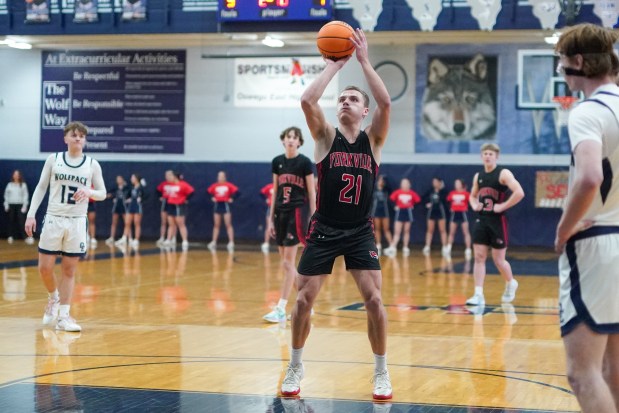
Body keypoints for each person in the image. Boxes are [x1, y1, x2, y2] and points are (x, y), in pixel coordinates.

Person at [281, 28, 393, 400]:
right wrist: (336, 65)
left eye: (353, 98)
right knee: (301, 301)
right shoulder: (325, 138)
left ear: (364, 111)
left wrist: (363, 61)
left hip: (360, 230)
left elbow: (386, 103)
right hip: (325, 229)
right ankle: (295, 364)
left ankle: (381, 371)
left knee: (375, 300)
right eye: (342, 98)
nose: (345, 101)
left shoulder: (373, 140)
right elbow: (307, 99)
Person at [554, 23, 619, 413]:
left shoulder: (587, 112)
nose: (562, 73)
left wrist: (563, 230)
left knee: (583, 373)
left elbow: (591, 176)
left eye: (562, 64)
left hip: (598, 245)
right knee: (614, 369)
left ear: (578, 62)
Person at [25, 121, 106, 332]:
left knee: (69, 270)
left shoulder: (92, 164)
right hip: (54, 218)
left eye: (82, 135)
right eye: (74, 135)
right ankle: (53, 297)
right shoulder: (54, 159)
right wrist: (31, 214)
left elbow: (103, 193)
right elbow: (41, 187)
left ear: (85, 140)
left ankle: (64, 317)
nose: (78, 138)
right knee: (45, 268)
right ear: (66, 138)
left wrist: (89, 192)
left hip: (77, 221)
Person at [262, 126, 316, 323]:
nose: (291, 140)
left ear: (299, 142)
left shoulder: (304, 162)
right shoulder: (277, 162)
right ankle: (306, 302)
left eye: (294, 137)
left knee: (288, 263)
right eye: (288, 137)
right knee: (287, 266)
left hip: (297, 213)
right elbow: (275, 192)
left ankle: (281, 308)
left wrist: (314, 215)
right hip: (279, 213)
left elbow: (311, 192)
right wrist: (270, 219)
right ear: (283, 140)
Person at [466, 143, 523, 307]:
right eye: (485, 153)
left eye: (491, 153)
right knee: (479, 257)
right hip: (481, 219)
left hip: (498, 221)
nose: (488, 156)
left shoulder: (503, 173)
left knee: (499, 260)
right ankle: (478, 294)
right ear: (481, 156)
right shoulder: (479, 176)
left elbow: (519, 192)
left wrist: (503, 206)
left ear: (496, 156)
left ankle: (511, 282)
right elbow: (472, 196)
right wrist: (473, 204)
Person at [383, 178, 421, 257]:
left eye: (406, 183)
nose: (404, 185)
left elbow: (418, 201)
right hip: (399, 212)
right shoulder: (397, 192)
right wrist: (395, 206)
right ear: (401, 184)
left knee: (406, 231)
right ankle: (393, 247)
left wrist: (412, 206)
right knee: (397, 231)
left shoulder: (412, 193)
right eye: (403, 183)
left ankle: (405, 247)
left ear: (409, 184)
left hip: (408, 212)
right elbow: (390, 200)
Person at [207, 171, 238, 253]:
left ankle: (231, 242)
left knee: (228, 224)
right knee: (216, 224)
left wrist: (232, 199)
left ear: (225, 177)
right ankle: (214, 242)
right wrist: (212, 198)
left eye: (222, 176)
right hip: (217, 205)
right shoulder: (215, 186)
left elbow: (237, 192)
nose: (220, 178)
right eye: (219, 176)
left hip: (226, 205)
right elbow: (208, 192)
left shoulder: (228, 185)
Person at [162, 171, 194, 250]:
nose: (169, 178)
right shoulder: (170, 185)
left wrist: (185, 199)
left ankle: (185, 241)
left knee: (181, 224)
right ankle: (168, 239)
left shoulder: (183, 184)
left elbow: (191, 191)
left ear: (175, 177)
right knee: (171, 224)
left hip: (179, 206)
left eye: (170, 176)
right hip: (170, 205)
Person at [445, 178, 472, 259]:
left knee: (466, 232)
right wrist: (451, 208)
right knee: (451, 232)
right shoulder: (452, 193)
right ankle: (448, 248)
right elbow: (447, 201)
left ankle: (468, 249)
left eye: (458, 183)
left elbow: (472, 203)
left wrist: (467, 208)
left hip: (463, 213)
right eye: (455, 183)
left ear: (461, 184)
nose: (456, 184)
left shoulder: (466, 194)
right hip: (454, 214)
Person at [4, 169, 32, 244]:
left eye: (17, 174)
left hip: (20, 205)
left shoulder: (23, 185)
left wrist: (25, 206)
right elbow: (6, 195)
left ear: (19, 176)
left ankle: (25, 237)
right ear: (13, 176)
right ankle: (10, 236)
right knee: (10, 221)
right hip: (11, 205)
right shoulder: (9, 185)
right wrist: (6, 204)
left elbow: (25, 196)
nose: (16, 176)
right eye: (14, 174)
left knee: (21, 221)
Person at [116, 173, 145, 249]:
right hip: (131, 206)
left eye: (132, 177)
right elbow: (128, 195)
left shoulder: (141, 187)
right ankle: (124, 238)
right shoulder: (132, 187)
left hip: (137, 207)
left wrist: (142, 199)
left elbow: (146, 195)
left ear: (136, 179)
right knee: (127, 223)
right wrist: (128, 199)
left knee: (136, 223)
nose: (131, 179)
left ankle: (136, 239)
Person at [422, 177, 449, 257]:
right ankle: (427, 246)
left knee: (442, 230)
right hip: (431, 212)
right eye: (433, 182)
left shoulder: (443, 192)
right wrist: (426, 204)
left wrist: (440, 190)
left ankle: (444, 247)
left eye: (436, 182)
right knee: (430, 230)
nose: (434, 183)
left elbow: (446, 200)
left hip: (441, 212)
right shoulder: (430, 191)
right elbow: (423, 199)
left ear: (440, 183)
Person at [105, 175, 130, 245]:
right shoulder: (115, 188)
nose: (118, 180)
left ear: (123, 180)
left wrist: (128, 199)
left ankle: (129, 238)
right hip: (116, 206)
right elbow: (110, 193)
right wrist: (110, 196)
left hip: (124, 207)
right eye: (117, 179)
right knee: (114, 223)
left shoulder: (127, 188)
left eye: (120, 179)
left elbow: (132, 195)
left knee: (127, 223)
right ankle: (112, 237)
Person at [371, 175, 392, 255]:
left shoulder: (387, 190)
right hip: (376, 212)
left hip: (385, 212)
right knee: (377, 229)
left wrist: (385, 184)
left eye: (383, 180)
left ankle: (391, 245)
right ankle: (378, 245)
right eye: (380, 180)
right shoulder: (374, 189)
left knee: (386, 229)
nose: (381, 182)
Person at [156, 170, 176, 246]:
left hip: (173, 202)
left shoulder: (176, 184)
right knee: (164, 221)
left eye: (169, 175)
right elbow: (157, 190)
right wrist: (160, 197)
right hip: (165, 203)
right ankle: (162, 237)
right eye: (166, 175)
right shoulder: (163, 184)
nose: (167, 176)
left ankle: (173, 238)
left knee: (173, 222)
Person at [260, 182, 274, 254]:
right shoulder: (269, 186)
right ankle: (266, 243)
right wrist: (266, 199)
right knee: (269, 225)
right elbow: (261, 193)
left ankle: (283, 243)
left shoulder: (282, 186)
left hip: (280, 208)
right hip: (270, 207)